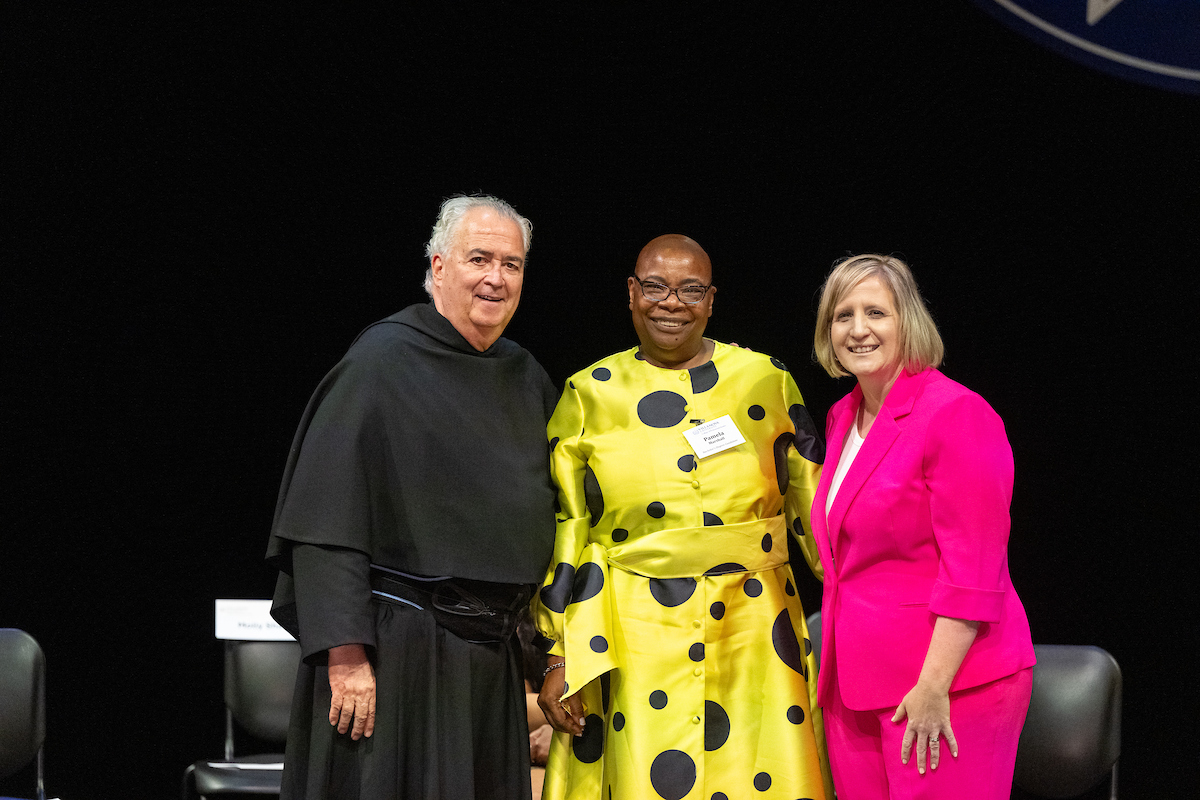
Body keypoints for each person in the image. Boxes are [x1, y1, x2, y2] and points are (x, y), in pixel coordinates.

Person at [265, 195, 558, 800]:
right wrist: (346, 655)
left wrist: (551, 656)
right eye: (479, 259)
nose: (496, 278)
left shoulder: (526, 378)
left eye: (511, 264)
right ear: (439, 267)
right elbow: (325, 521)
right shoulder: (380, 363)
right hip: (395, 656)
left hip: (490, 663)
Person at [533, 235, 833, 800]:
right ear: (631, 293)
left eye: (691, 290)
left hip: (755, 629)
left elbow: (816, 511)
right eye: (655, 287)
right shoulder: (588, 394)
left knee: (761, 775)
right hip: (632, 635)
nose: (672, 302)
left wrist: (870, 601)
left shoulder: (766, 380)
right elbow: (569, 527)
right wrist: (557, 650)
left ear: (711, 300)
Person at [810, 254, 1036, 799]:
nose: (858, 329)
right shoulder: (843, 416)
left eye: (876, 313)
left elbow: (974, 570)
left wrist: (934, 685)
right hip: (853, 687)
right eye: (842, 315)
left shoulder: (956, 413)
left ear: (907, 321)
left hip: (948, 684)